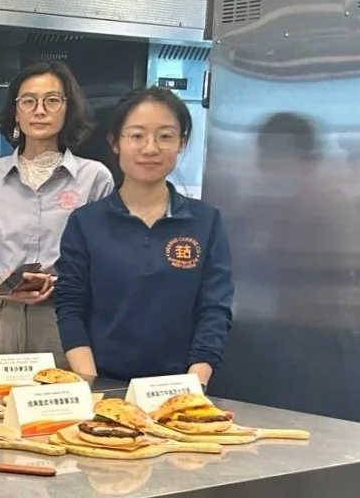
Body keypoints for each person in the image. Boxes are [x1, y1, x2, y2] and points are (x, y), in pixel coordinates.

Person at [53, 86, 233, 383]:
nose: (150, 148)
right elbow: (71, 306)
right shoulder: (86, 222)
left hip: (182, 386)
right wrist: (92, 382)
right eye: (137, 136)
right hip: (104, 382)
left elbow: (214, 308)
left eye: (165, 136)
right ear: (115, 143)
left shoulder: (206, 221)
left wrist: (194, 383)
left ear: (181, 143)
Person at [0, 61, 113, 357]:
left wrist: (58, 283)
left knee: (60, 401)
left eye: (52, 100)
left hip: (64, 319)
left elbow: (105, 263)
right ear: (15, 111)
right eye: (28, 101)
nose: (40, 110)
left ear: (68, 108)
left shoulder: (95, 178)